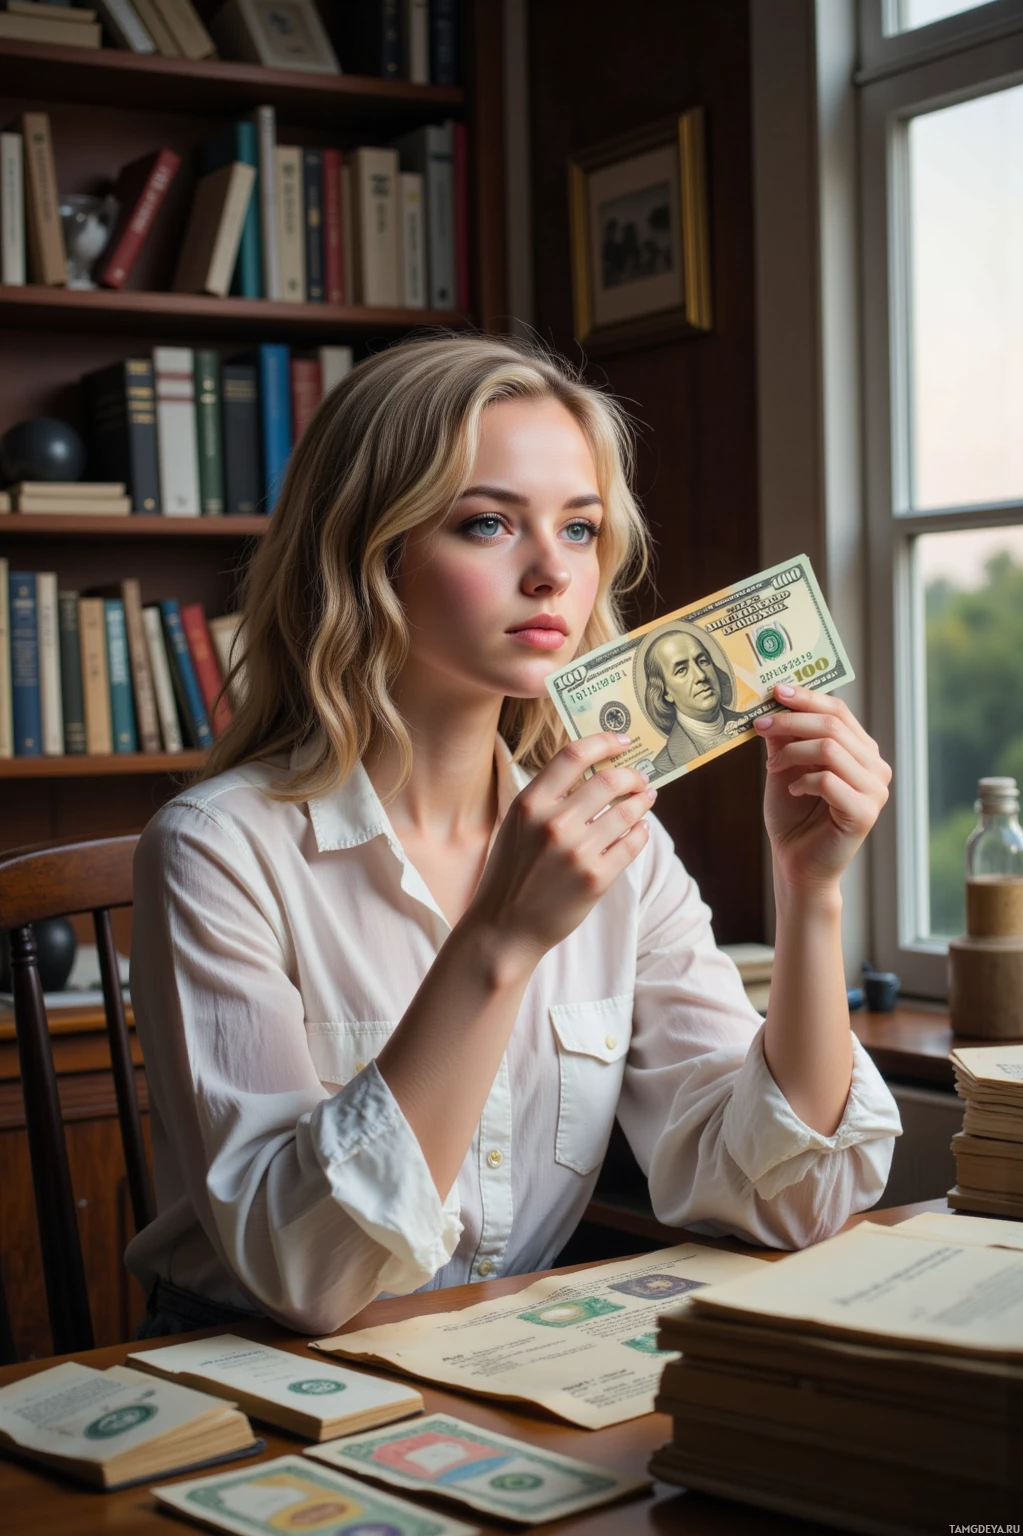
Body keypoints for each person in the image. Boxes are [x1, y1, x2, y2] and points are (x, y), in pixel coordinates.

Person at [127, 332, 901, 1340]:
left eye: (579, 531)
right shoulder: (215, 850)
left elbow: (789, 1200)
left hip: (497, 1360)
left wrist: (812, 893)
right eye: (489, 523)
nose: (551, 575)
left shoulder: (619, 843)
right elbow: (305, 1272)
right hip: (243, 1373)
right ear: (368, 550)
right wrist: (500, 938)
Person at [642, 622, 746, 772]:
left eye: (703, 662)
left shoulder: (755, 721)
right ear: (665, 692)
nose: (701, 675)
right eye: (681, 670)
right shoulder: (663, 767)